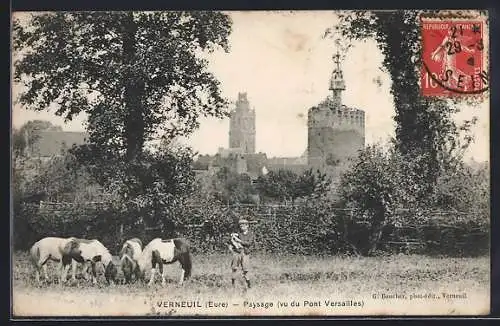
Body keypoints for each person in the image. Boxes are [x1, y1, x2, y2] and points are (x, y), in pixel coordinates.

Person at [228, 217, 255, 289]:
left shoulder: (251, 234)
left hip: (245, 253)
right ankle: (233, 285)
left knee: (246, 269)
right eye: (240, 225)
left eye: (243, 225)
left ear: (247, 225)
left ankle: (248, 285)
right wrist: (231, 247)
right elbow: (231, 242)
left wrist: (239, 240)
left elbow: (248, 243)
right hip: (237, 252)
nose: (242, 227)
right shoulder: (238, 233)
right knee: (234, 268)